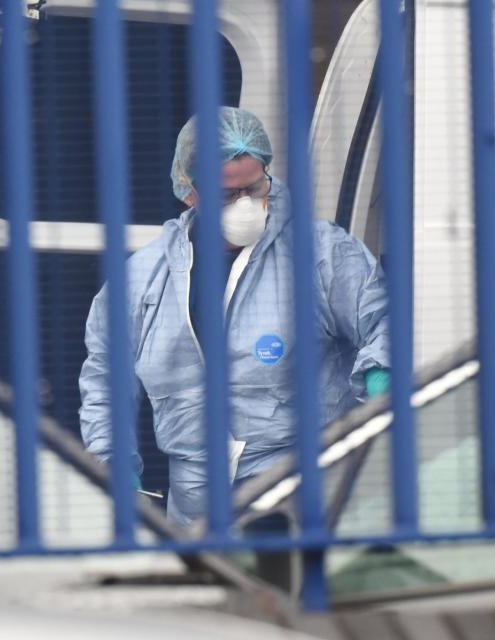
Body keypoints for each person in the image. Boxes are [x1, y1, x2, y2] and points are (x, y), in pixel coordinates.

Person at [79, 106, 391, 529]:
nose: (246, 204)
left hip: (306, 492)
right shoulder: (142, 280)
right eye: (227, 195)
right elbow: (105, 379)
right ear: (189, 191)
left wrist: (379, 386)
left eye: (255, 187)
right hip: (195, 509)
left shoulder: (321, 254)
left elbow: (383, 322)